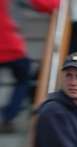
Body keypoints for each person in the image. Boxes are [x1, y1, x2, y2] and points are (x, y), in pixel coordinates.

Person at [0, 0, 31, 132]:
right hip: (12, 48)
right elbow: (44, 4)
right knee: (23, 80)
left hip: (11, 48)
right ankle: (8, 117)